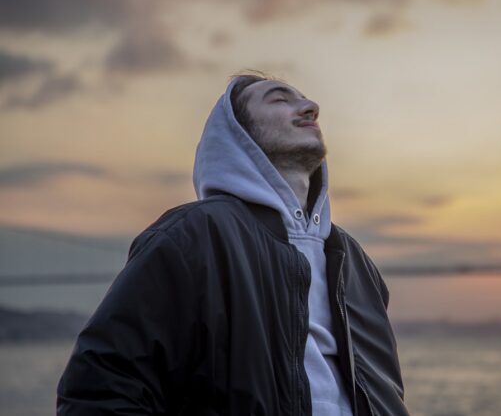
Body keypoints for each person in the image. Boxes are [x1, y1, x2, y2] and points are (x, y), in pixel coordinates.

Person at [57, 72, 408, 415]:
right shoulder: (193, 236)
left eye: (304, 99)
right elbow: (100, 390)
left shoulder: (353, 260)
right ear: (240, 135)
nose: (310, 107)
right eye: (280, 99)